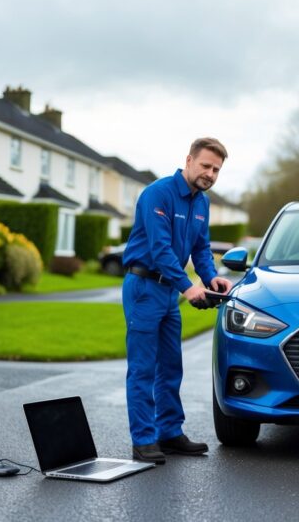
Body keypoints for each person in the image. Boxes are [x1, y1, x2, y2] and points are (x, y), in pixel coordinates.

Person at [122, 137, 233, 464]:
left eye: (216, 169)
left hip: (169, 292)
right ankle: (143, 440)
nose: (210, 173)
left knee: (171, 365)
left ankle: (169, 432)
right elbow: (160, 249)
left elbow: (201, 248)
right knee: (143, 368)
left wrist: (210, 277)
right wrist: (188, 287)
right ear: (189, 160)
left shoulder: (202, 203)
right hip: (144, 287)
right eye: (206, 165)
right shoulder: (158, 193)